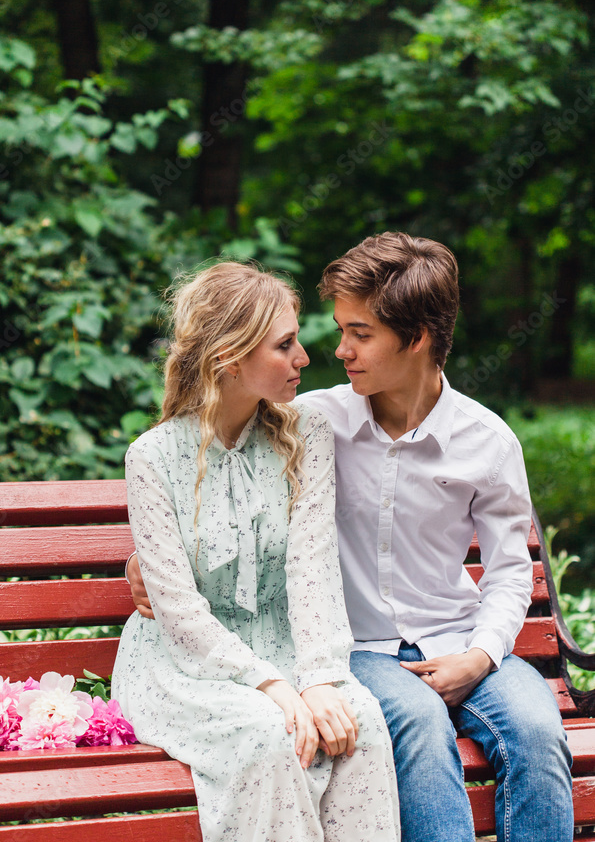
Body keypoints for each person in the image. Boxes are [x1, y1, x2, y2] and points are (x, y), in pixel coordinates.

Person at [128, 233, 574, 842]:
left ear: (415, 339)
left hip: (460, 638)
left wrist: (481, 654)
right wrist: (146, 560)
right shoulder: (312, 418)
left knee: (539, 731)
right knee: (415, 725)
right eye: (338, 330)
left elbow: (508, 571)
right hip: (363, 648)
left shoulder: (487, 441)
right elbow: (223, 463)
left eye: (359, 334)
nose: (336, 350)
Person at [112, 261, 400, 842]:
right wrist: (271, 686)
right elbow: (178, 611)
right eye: (285, 345)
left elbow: (312, 568)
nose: (305, 359)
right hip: (183, 667)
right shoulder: (152, 459)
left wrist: (319, 679)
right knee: (268, 733)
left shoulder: (306, 435)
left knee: (360, 721)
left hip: (291, 647)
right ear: (230, 358)